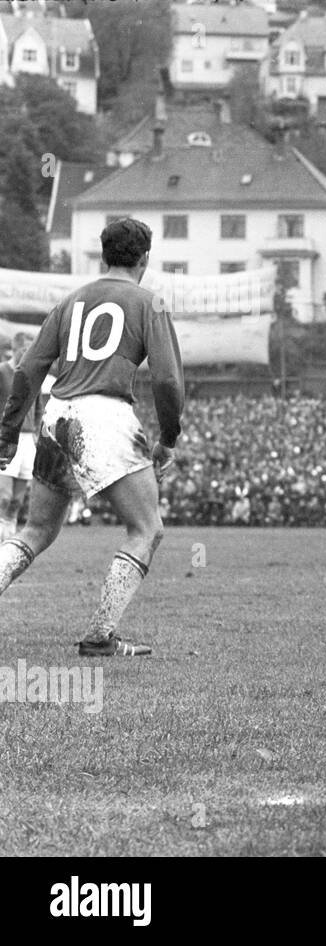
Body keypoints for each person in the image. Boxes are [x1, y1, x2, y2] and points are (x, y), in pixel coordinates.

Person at [0, 218, 183, 657]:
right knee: (146, 528)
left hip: (57, 413)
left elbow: (28, 369)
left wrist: (7, 432)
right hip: (104, 414)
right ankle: (101, 635)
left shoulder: (70, 301)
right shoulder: (149, 303)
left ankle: (101, 635)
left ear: (102, 255)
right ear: (145, 258)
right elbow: (167, 381)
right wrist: (168, 438)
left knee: (36, 529)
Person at [0, 334, 39, 541]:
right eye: (23, 348)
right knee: (3, 498)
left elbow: (39, 406)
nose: (27, 352)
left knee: (16, 501)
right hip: (6, 439)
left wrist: (35, 431)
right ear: (14, 348)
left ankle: (8, 542)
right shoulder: (2, 371)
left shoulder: (33, 374)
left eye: (29, 348)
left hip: (27, 442)